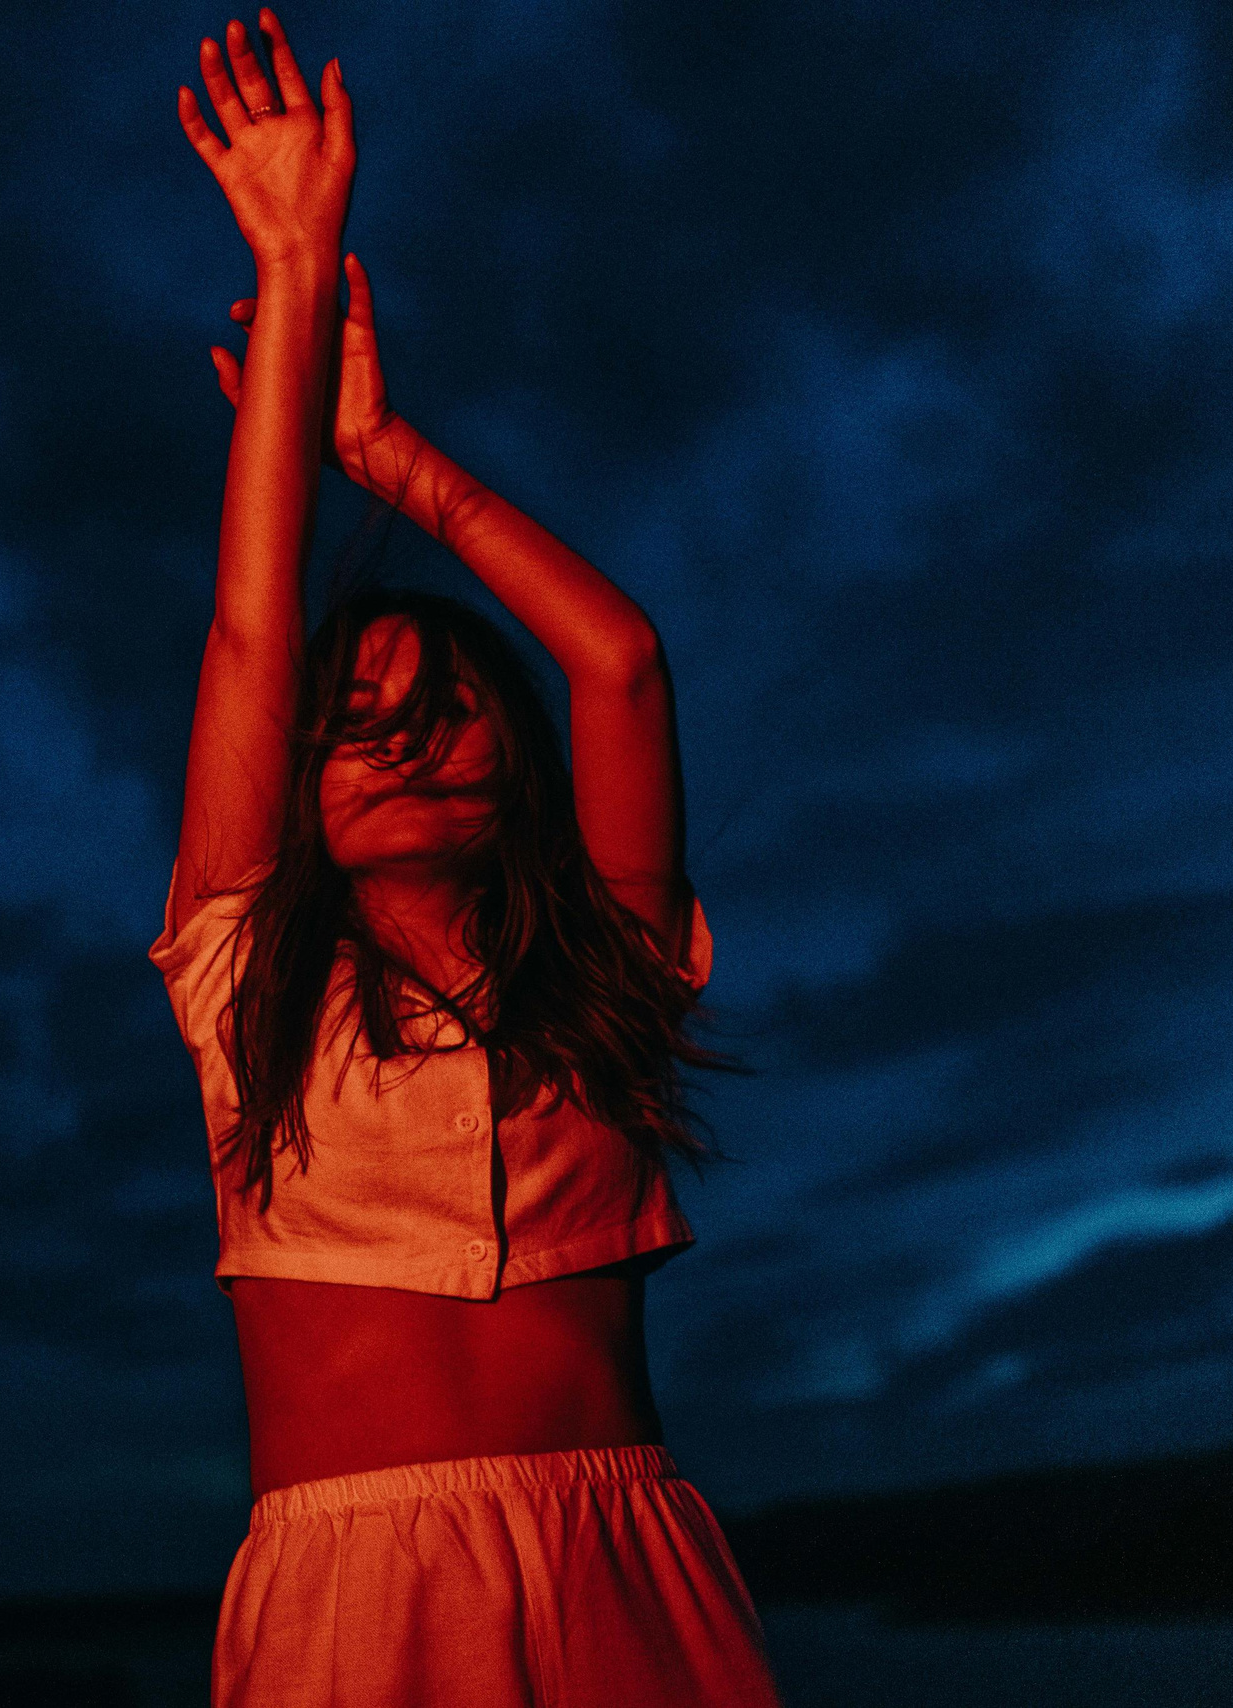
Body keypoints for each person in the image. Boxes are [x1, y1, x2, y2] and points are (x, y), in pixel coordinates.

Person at [154, 12, 784, 1704]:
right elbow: (247, 630)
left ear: (511, 759)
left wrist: (396, 462)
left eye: (440, 708)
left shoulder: (613, 968)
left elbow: (620, 659)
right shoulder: (236, 978)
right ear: (299, 784)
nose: (397, 736)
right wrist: (296, 263)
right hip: (358, 1581)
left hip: (625, 1560)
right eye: (349, 721)